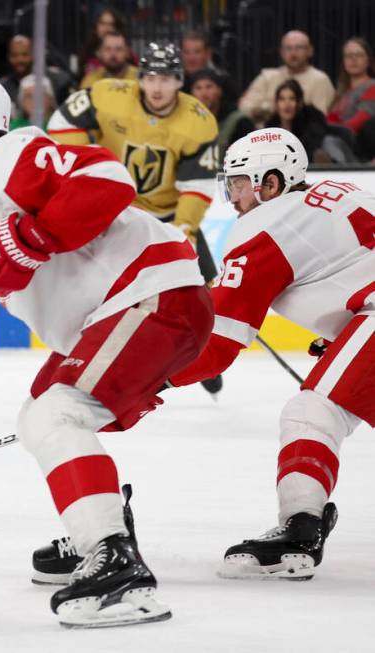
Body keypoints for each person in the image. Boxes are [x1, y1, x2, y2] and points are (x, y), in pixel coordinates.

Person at [0, 71, 211, 628]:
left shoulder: (12, 155)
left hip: (151, 293)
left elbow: (108, 179)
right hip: (127, 310)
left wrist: (36, 235)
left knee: (56, 413)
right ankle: (96, 527)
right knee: (40, 410)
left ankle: (116, 564)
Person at [167, 127, 375, 580]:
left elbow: (217, 345)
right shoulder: (339, 192)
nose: (233, 196)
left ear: (272, 183)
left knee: (312, 411)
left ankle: (300, 531)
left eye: (240, 183)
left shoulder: (264, 225)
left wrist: (149, 380)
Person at [48, 42, 223, 398]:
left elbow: (196, 186)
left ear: (180, 81)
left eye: (168, 78)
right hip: (114, 211)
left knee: (204, 288)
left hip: (167, 216)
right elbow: (61, 122)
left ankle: (203, 357)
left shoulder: (198, 121)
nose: (158, 87)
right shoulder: (107, 94)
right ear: (140, 79)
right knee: (99, 287)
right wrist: (87, 171)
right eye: (151, 77)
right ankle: (86, 359)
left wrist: (184, 229)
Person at [239, 30, 336, 125]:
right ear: (281, 52)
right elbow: (244, 107)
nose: (293, 53)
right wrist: (268, 108)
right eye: (288, 48)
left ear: (310, 51)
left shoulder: (320, 80)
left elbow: (319, 118)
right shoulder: (267, 76)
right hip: (262, 136)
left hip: (302, 137)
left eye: (299, 48)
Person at [327, 37, 375, 159]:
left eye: (359, 55)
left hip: (359, 147)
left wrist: (329, 129)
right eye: (349, 55)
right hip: (339, 140)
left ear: (368, 60)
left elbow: (361, 121)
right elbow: (330, 120)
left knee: (329, 141)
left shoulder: (372, 86)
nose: (353, 59)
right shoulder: (340, 93)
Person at [265, 79, 331, 162]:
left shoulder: (311, 122)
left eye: (292, 99)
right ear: (276, 103)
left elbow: (309, 151)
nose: (287, 104)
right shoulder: (270, 127)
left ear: (299, 103)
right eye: (282, 99)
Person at [190, 68, 255, 151]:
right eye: (198, 88)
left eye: (209, 87)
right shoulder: (186, 121)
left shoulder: (239, 121)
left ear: (219, 90)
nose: (204, 93)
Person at [180, 30, 237, 104]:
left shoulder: (224, 82)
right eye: (186, 52)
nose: (191, 58)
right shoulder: (176, 83)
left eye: (197, 52)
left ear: (208, 54)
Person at [0, 35, 33, 112]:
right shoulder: (2, 86)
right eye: (14, 55)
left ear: (33, 55)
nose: (20, 59)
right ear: (8, 57)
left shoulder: (48, 82)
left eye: (25, 54)